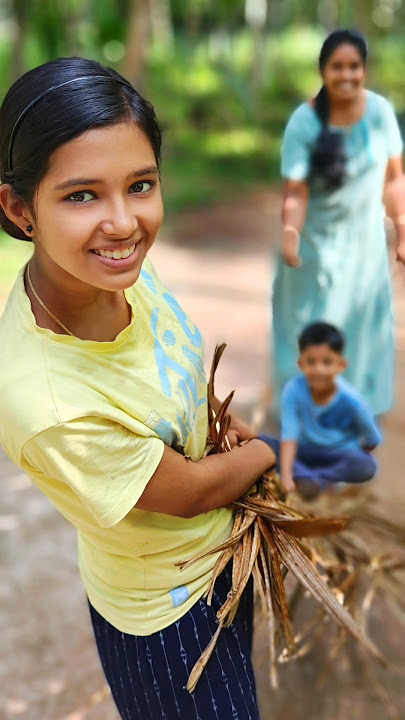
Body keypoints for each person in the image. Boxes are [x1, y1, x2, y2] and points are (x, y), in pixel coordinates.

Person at [0, 57, 276, 720]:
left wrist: (219, 429)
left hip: (216, 564)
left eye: (140, 184)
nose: (123, 223)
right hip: (167, 619)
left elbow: (169, 376)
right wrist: (270, 450)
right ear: (18, 208)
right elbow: (185, 494)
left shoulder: (114, 274)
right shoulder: (50, 400)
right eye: (81, 195)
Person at [272, 28, 405, 416]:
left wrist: (401, 230)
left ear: (364, 69)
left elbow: (395, 178)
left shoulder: (379, 114)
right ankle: (311, 424)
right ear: (323, 70)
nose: (346, 75)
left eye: (354, 67)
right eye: (337, 67)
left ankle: (357, 419)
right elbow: (295, 191)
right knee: (318, 336)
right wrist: (290, 234)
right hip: (316, 251)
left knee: (365, 334)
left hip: (364, 248)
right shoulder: (305, 122)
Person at [263, 322, 381, 499]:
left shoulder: (353, 401)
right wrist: (286, 476)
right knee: (263, 443)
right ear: (301, 364)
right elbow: (289, 436)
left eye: (327, 362)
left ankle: (319, 480)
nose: (319, 369)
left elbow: (372, 439)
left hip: (338, 455)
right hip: (304, 453)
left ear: (341, 365)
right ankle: (308, 478)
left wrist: (353, 457)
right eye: (311, 361)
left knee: (367, 466)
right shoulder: (293, 390)